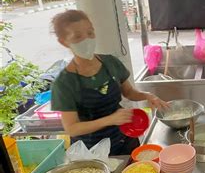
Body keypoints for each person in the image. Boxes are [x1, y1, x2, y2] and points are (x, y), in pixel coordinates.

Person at [50, 10, 168, 155]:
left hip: (125, 136)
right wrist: (110, 120)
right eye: (78, 36)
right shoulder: (64, 83)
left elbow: (129, 93)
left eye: (90, 33)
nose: (87, 39)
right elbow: (72, 128)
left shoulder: (111, 63)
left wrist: (148, 95)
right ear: (64, 42)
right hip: (93, 149)